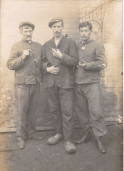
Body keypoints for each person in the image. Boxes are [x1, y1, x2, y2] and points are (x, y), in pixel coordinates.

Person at [42, 17, 78, 154]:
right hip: (51, 83)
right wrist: (47, 69)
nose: (57, 29)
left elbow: (75, 61)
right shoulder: (46, 45)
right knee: (54, 110)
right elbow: (41, 62)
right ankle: (59, 133)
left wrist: (61, 56)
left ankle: (68, 139)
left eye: (59, 26)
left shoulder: (70, 42)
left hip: (66, 83)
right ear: (51, 28)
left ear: (63, 27)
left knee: (67, 111)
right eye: (54, 27)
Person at [7, 21, 43, 149]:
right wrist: (22, 57)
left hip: (35, 83)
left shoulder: (38, 46)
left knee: (33, 110)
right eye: (25, 31)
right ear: (21, 32)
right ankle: (21, 137)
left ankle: (32, 133)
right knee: (22, 111)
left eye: (30, 31)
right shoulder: (16, 46)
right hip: (22, 85)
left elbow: (43, 63)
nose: (28, 33)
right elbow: (10, 64)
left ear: (32, 32)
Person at [75, 21, 107, 154]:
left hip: (92, 84)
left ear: (90, 31)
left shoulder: (97, 45)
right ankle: (86, 134)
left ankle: (99, 139)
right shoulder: (76, 46)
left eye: (86, 31)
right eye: (81, 31)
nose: (83, 33)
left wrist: (87, 65)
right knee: (82, 113)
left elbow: (103, 63)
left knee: (96, 112)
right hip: (78, 84)